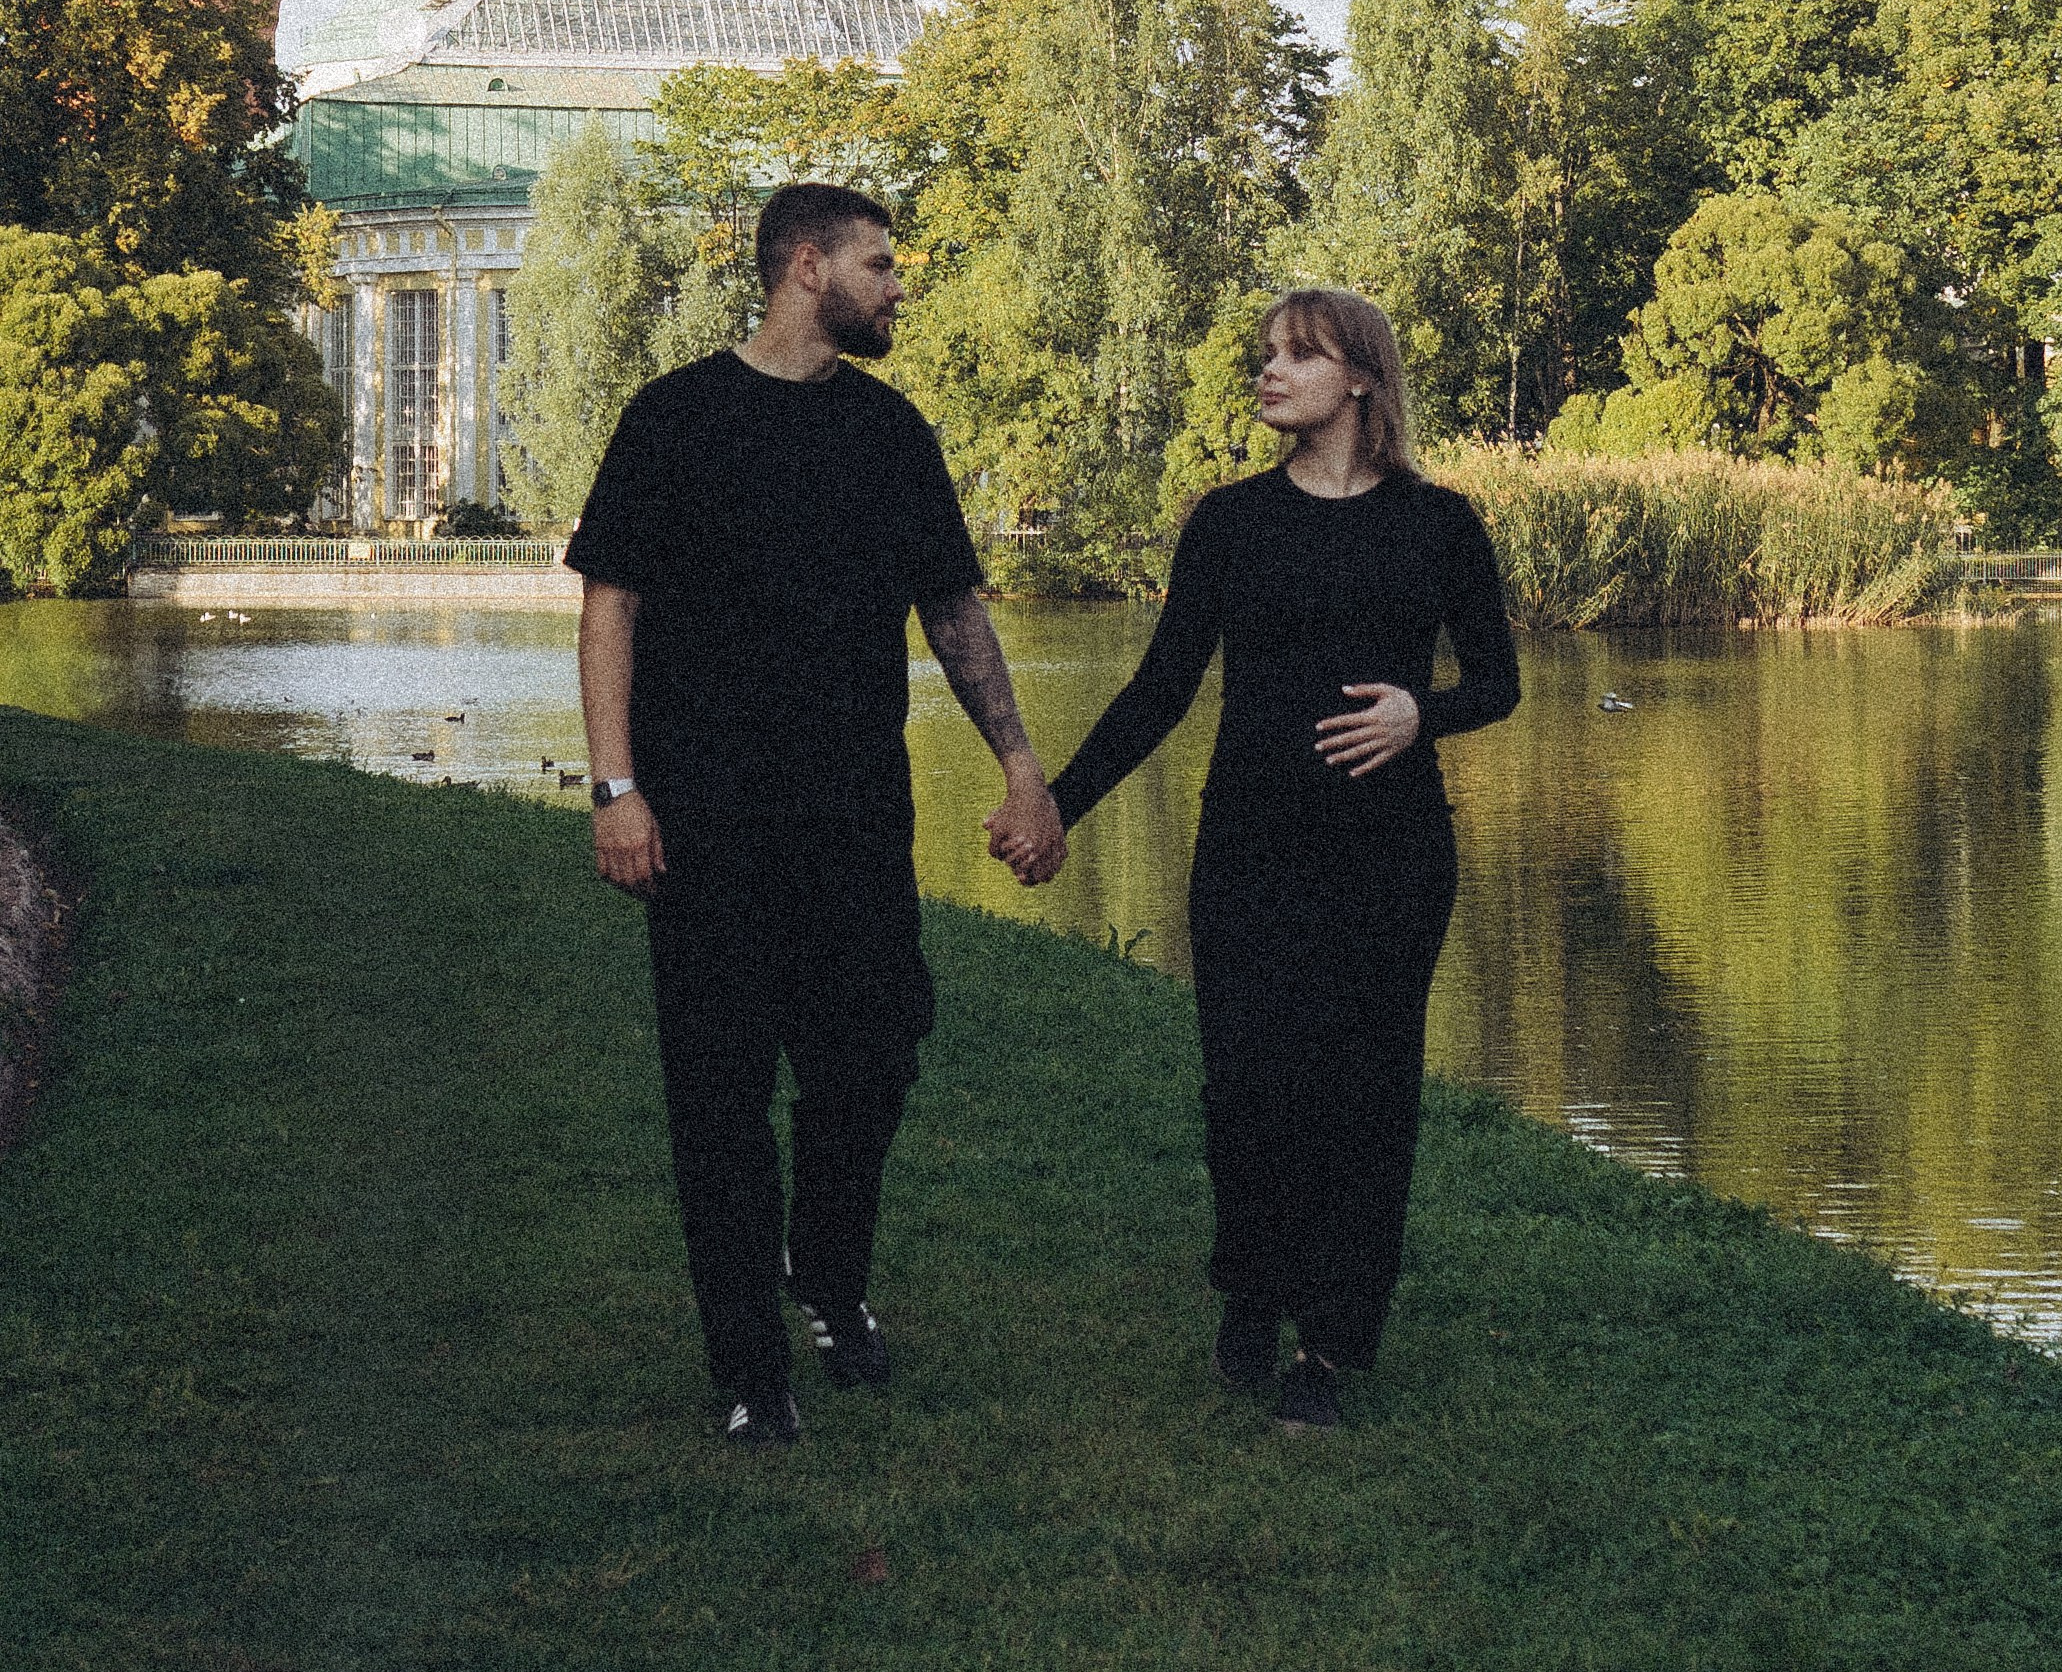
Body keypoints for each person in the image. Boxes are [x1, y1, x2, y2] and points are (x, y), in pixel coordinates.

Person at [567, 181, 1066, 1448]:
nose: (899, 287)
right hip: (706, 825)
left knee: (877, 1048)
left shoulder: (891, 434)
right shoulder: (675, 419)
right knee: (721, 1090)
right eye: (881, 265)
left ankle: (828, 1275)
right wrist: (615, 786)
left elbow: (953, 611)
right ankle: (751, 1369)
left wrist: (1020, 764)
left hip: (853, 818)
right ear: (807, 266)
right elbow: (610, 605)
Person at [998, 287, 1518, 1433]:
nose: (1270, 370)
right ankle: (1253, 1283)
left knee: (1365, 1094)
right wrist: (1058, 805)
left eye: (1299, 352)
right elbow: (1160, 689)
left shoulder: (1442, 524)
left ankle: (1329, 1347)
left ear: (1363, 379)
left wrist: (1418, 716)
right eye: (1265, 353)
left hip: (1389, 858)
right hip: (1250, 853)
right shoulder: (1230, 523)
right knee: (1247, 1086)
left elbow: (1500, 682)